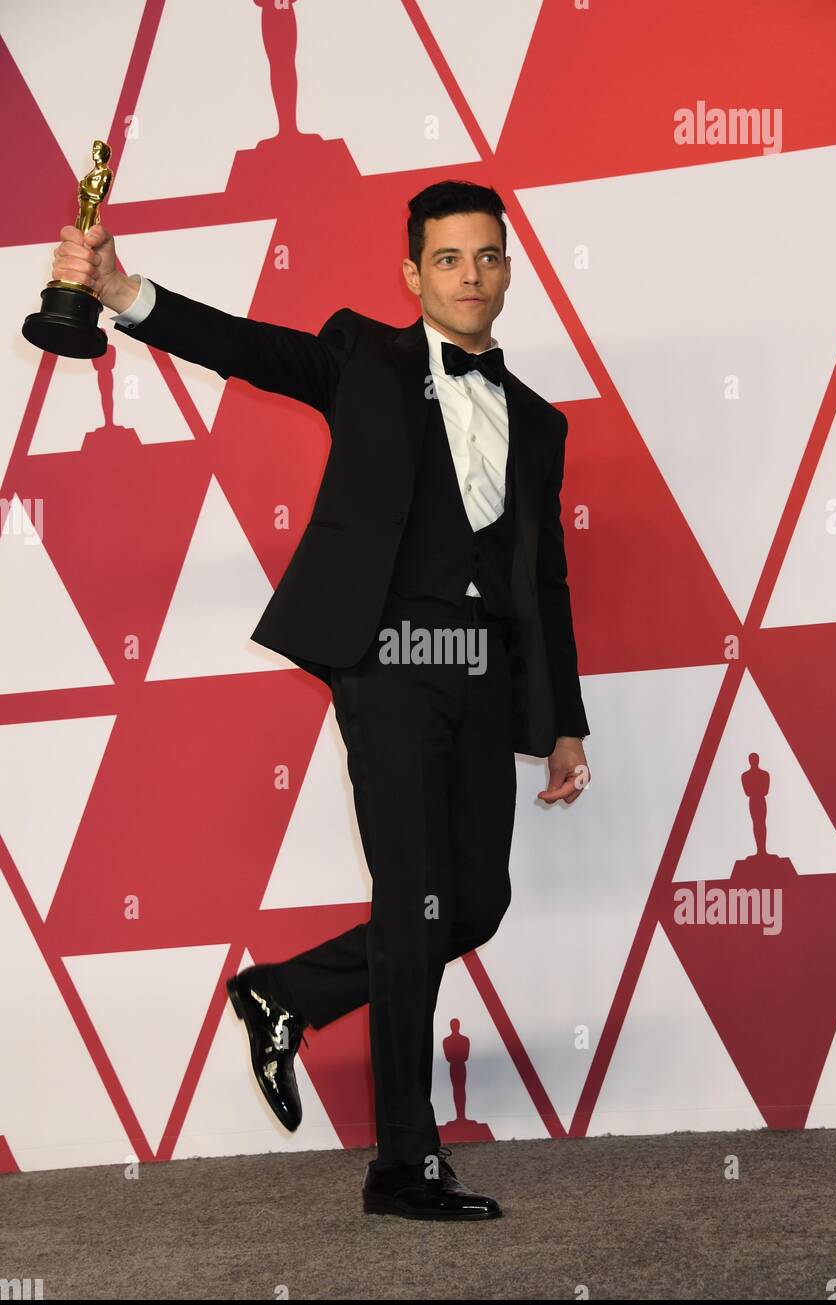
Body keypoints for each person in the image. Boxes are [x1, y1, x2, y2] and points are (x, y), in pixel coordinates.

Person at [51, 180, 592, 1221]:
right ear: (411, 273)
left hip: (483, 672)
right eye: (447, 258)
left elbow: (547, 579)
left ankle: (285, 996)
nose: (469, 276)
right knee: (415, 898)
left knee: (470, 902)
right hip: (386, 661)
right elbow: (252, 348)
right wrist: (121, 289)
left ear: (509, 269)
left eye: (487, 257)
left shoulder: (537, 421)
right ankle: (403, 1161)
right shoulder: (363, 360)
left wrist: (561, 719)